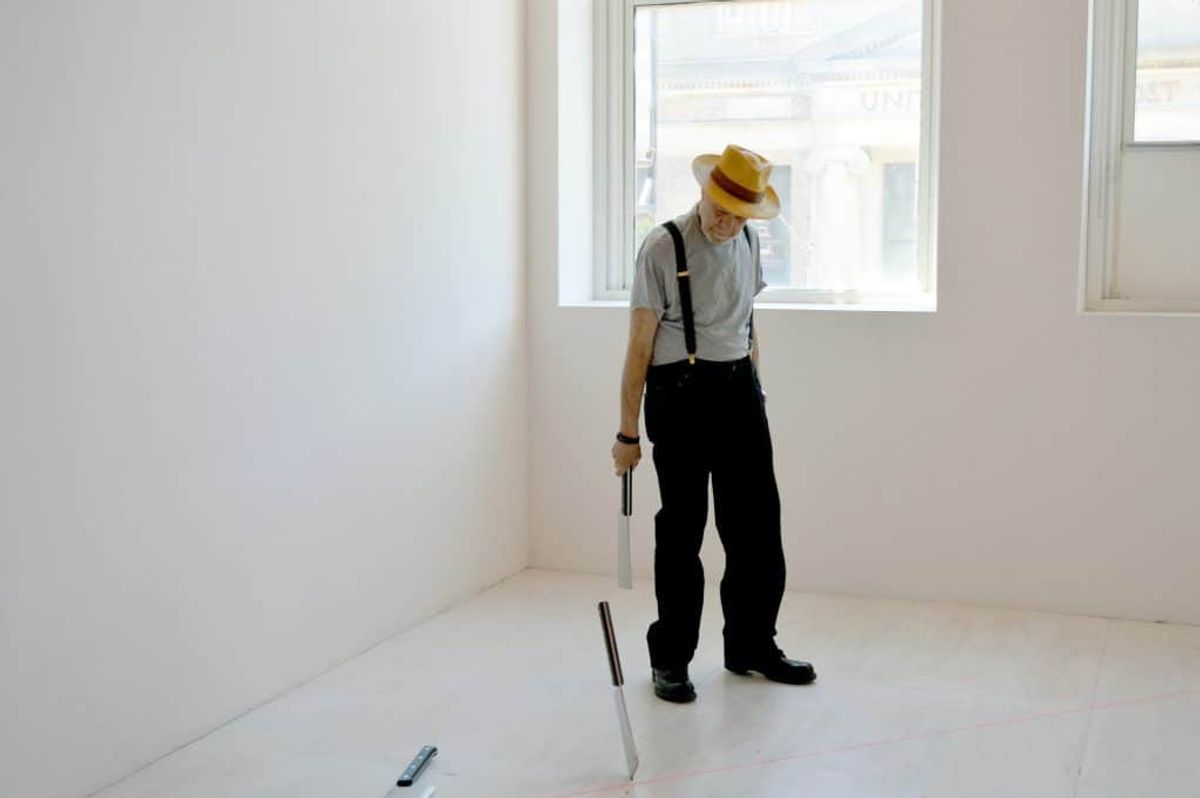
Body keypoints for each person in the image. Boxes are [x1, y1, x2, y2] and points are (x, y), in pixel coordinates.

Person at [610, 144, 817, 704]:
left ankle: (751, 644)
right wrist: (628, 432)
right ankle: (671, 659)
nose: (726, 223)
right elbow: (638, 347)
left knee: (756, 525)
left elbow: (748, 322)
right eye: (720, 209)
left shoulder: (748, 241)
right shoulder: (663, 246)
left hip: (739, 394)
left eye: (739, 214)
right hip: (680, 394)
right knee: (682, 530)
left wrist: (758, 387)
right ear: (703, 192)